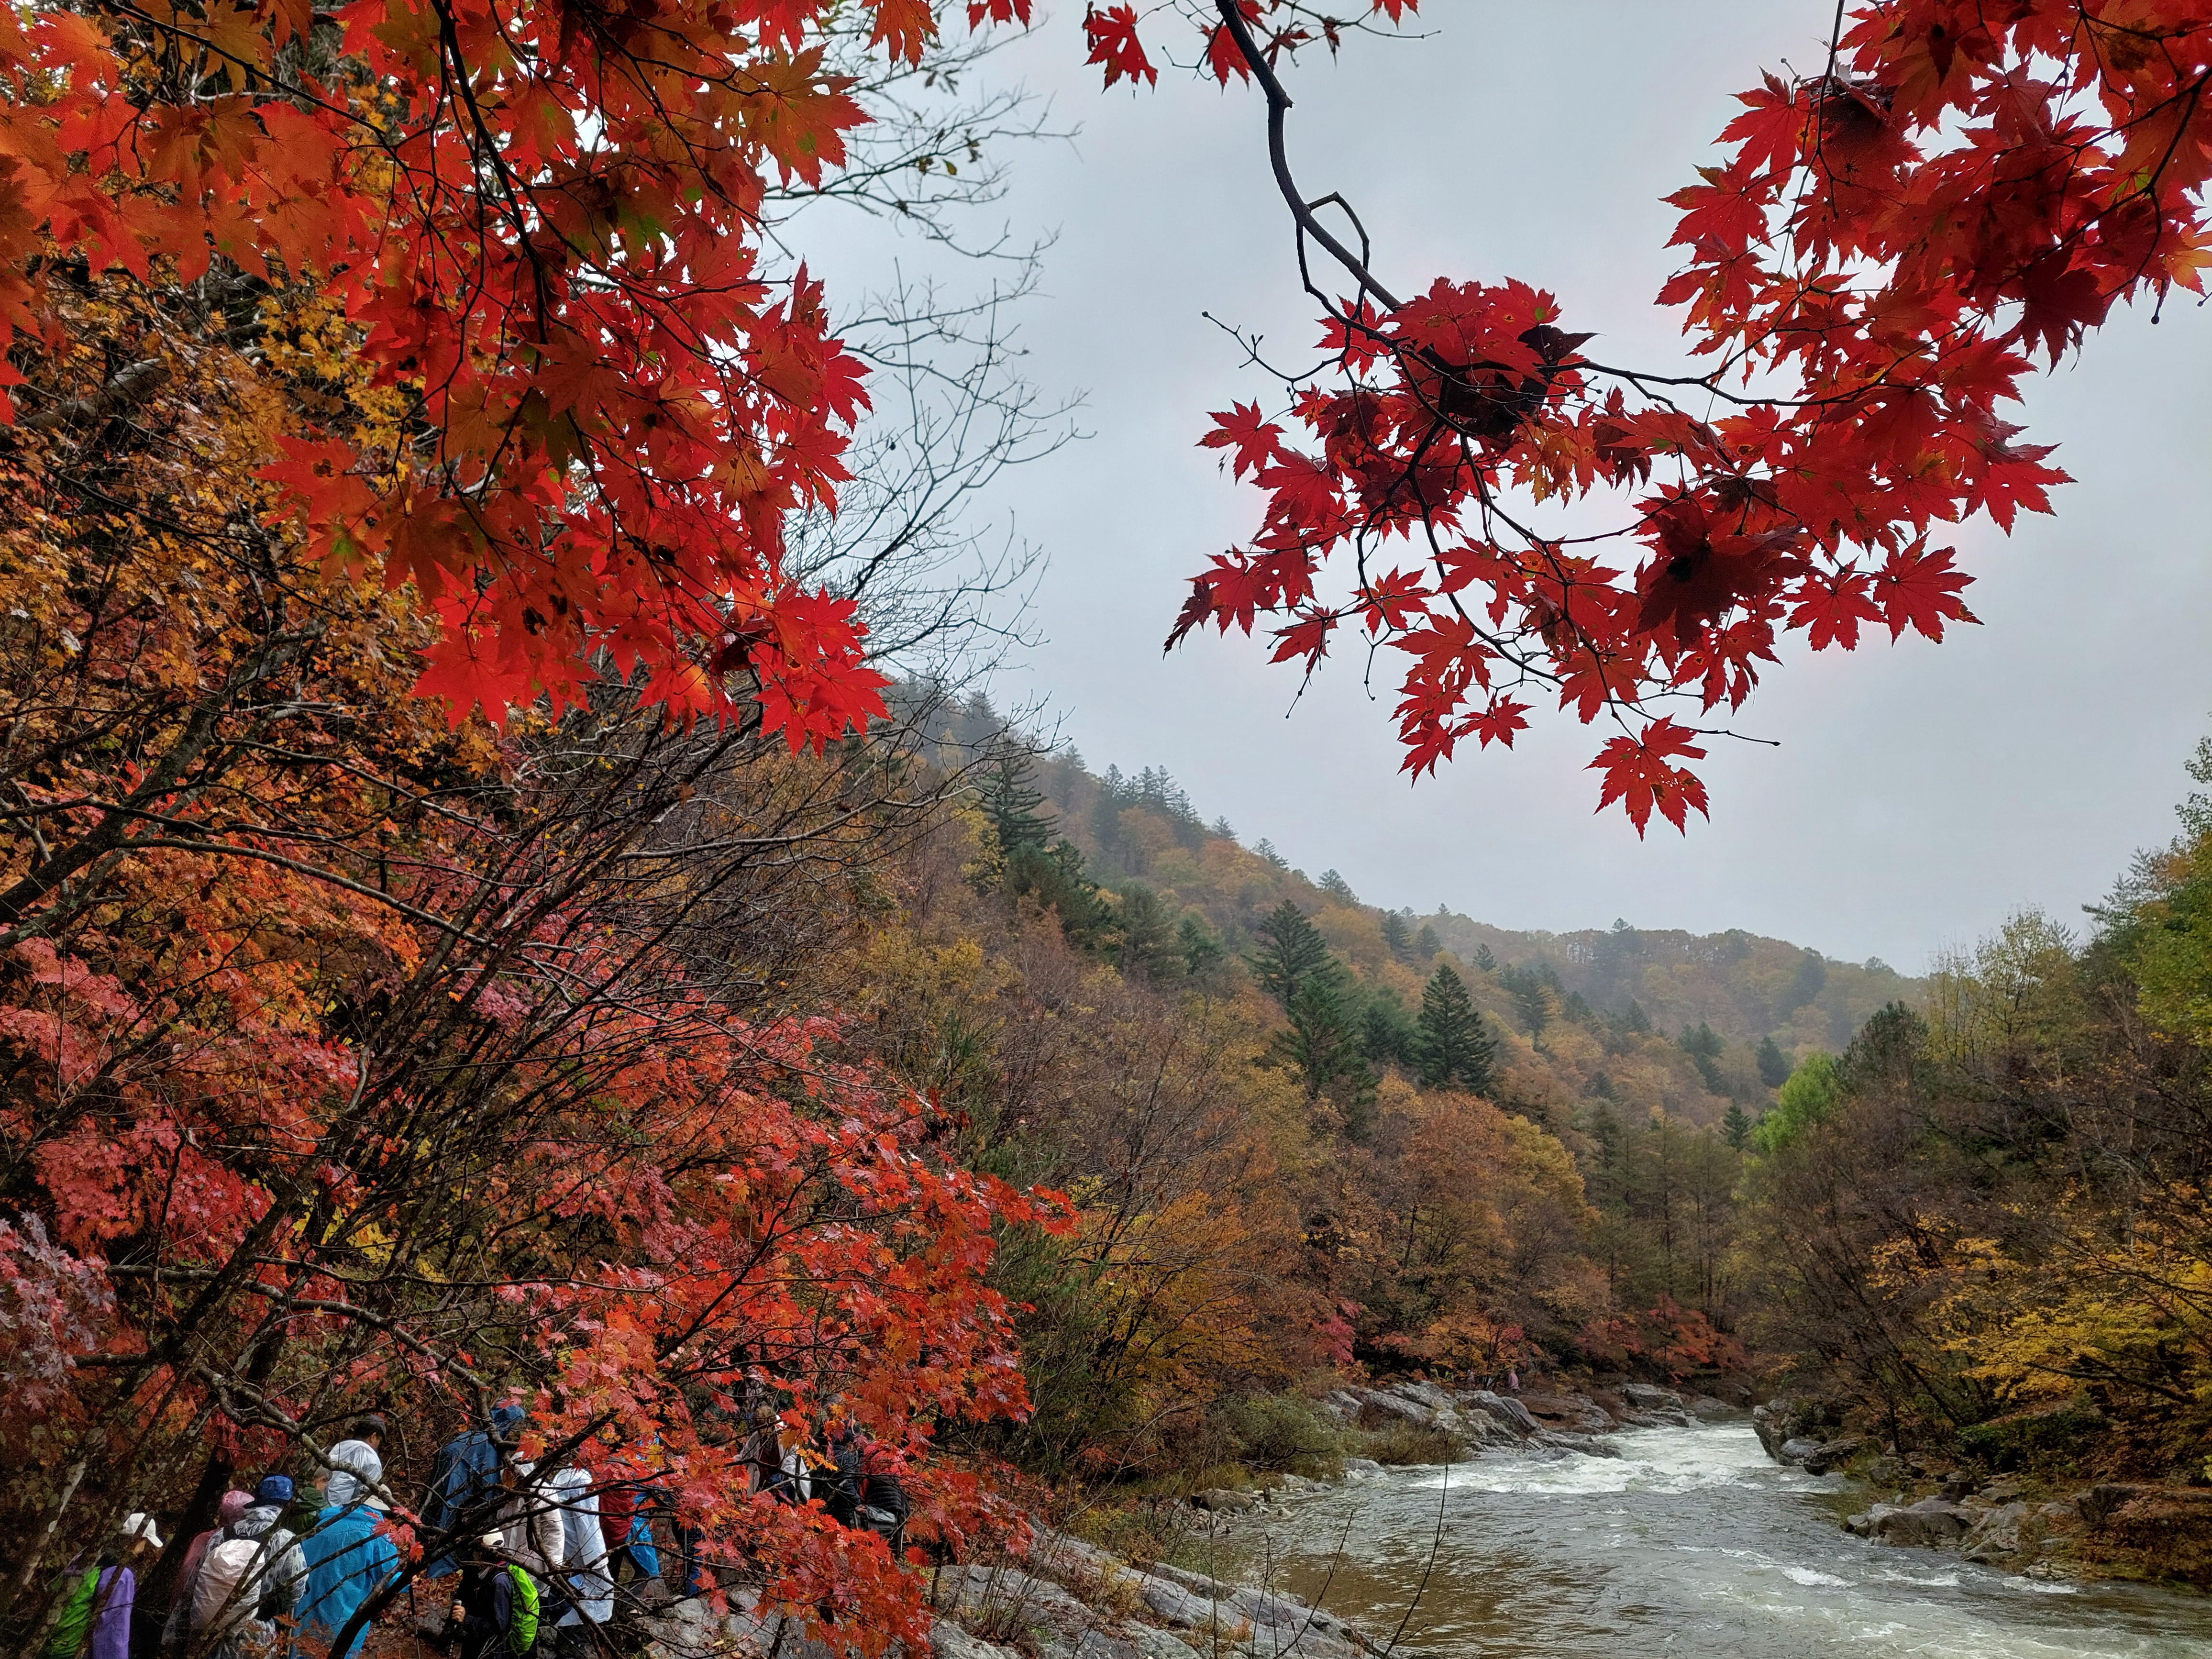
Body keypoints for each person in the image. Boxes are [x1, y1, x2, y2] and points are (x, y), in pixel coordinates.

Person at [188, 1476, 308, 1659]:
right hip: (256, 1635)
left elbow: (196, 1579)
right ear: (286, 1505)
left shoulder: (223, 1534)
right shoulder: (285, 1540)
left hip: (210, 1632)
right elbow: (296, 1591)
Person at [297, 1443, 398, 1659]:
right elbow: (395, 1581)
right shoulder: (376, 1533)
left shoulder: (324, 1523)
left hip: (303, 1615)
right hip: (343, 1620)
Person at [423, 1405, 526, 1577]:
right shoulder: (488, 1448)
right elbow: (488, 1489)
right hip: (465, 1508)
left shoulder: (470, 1439)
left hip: (443, 1498)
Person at [45, 1514, 163, 1659]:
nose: (143, 1550)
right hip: (76, 1649)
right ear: (138, 1539)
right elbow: (114, 1626)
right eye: (145, 1543)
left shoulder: (90, 1554)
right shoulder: (121, 1575)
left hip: (51, 1641)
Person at [161, 1492, 251, 1651]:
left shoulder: (204, 1538)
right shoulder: (240, 1548)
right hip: (219, 1624)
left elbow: (184, 1577)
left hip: (190, 1613)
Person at [547, 1466, 612, 1659]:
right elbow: (589, 1527)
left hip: (563, 1558)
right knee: (583, 1610)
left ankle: (567, 1645)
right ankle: (572, 1647)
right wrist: (600, 1563)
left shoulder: (561, 1479)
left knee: (569, 1606)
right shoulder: (581, 1481)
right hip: (582, 1560)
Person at [450, 1534, 542, 1659]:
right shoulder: (498, 1569)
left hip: (490, 1649)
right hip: (483, 1643)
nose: (473, 1555)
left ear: (481, 1553)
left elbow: (497, 1625)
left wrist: (466, 1619)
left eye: (475, 1551)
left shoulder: (499, 1583)